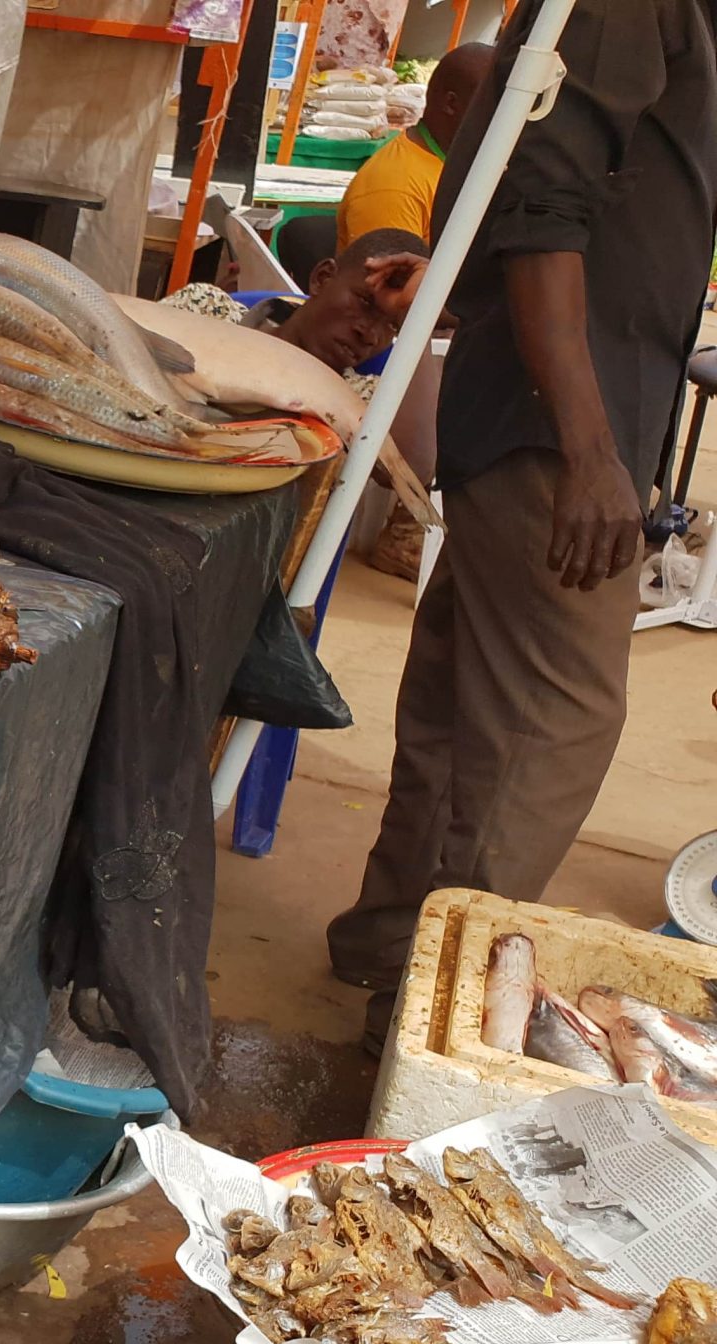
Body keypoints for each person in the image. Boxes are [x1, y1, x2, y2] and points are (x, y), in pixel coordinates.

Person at [327, 0, 717, 1048]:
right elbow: (541, 209)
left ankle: (386, 951)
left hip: (548, 410)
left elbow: (520, 171)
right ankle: (430, 1010)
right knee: (553, 724)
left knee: (463, 710)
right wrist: (592, 452)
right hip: (562, 428)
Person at [164, 226, 430, 385]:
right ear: (322, 278)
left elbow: (416, 466)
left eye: (394, 325)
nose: (370, 335)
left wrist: (421, 315)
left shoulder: (358, 400)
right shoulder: (206, 309)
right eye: (364, 302)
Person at [335, 43, 496, 249]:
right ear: (451, 104)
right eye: (494, 104)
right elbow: (390, 279)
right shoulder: (396, 187)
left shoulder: (463, 161)